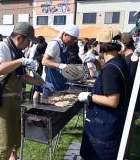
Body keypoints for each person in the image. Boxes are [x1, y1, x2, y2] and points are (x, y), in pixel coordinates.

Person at [0, 22, 53, 160]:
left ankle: (14, 157)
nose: (29, 45)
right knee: (5, 142)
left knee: (17, 136)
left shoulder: (16, 51)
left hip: (17, 98)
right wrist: (21, 61)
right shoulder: (0, 47)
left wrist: (43, 83)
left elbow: (22, 77)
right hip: (3, 100)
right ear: (19, 38)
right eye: (29, 41)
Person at [78, 27, 130, 160]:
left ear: (101, 46)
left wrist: (89, 96)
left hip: (104, 127)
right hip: (114, 121)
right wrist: (97, 61)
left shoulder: (110, 70)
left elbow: (112, 101)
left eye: (96, 44)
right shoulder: (120, 62)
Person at [42, 24, 80, 96]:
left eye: (75, 39)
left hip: (60, 80)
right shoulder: (54, 44)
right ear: (65, 35)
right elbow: (44, 61)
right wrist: (60, 65)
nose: (73, 41)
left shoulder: (65, 45)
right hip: (50, 81)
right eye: (72, 39)